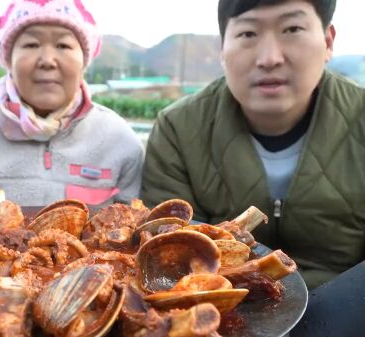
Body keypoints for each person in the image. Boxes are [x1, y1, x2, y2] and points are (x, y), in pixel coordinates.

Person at [141, 0, 365, 291]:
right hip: (225, 316)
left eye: (292, 28)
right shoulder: (178, 130)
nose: (269, 58)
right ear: (223, 48)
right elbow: (167, 263)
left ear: (327, 41)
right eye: (248, 34)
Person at [0, 0, 144, 209]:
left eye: (63, 45)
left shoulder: (121, 141)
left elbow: (134, 228)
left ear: (84, 60)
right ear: (8, 59)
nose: (47, 60)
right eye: (31, 44)